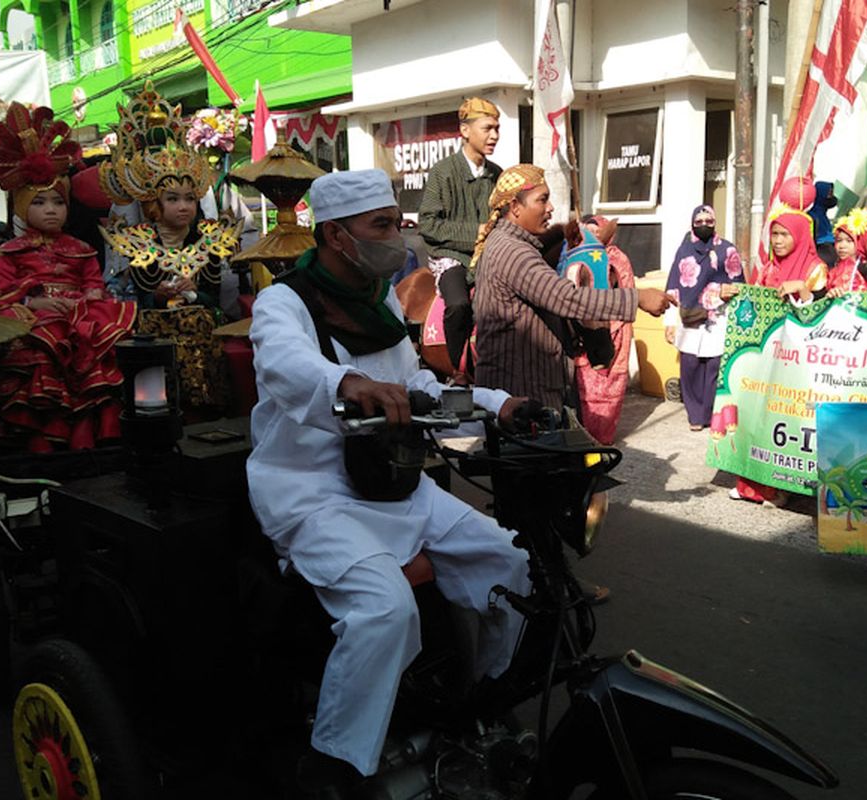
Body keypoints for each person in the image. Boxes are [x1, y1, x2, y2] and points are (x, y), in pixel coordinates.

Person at [245, 169, 531, 794]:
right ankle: (337, 765)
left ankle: (481, 697)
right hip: (312, 492)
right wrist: (345, 384)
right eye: (381, 226)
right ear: (336, 236)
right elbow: (285, 364)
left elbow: (420, 387)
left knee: (508, 559)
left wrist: (496, 400)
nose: (396, 237)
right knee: (384, 610)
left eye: (396, 223)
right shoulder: (283, 302)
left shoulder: (380, 303)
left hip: (391, 483)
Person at [0, 103, 136, 452]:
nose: (51, 210)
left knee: (102, 339)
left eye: (57, 203)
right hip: (35, 316)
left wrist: (87, 298)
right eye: (40, 203)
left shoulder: (81, 247)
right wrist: (35, 301)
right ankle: (44, 439)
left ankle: (99, 437)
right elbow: (3, 293)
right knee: (44, 341)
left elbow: (93, 282)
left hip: (79, 314)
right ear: (21, 208)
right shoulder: (10, 252)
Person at [470, 164, 674, 408]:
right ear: (515, 207)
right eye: (542, 200)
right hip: (519, 394)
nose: (550, 208)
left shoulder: (519, 246)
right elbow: (566, 298)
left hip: (528, 388)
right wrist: (636, 298)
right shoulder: (513, 252)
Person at [98, 82, 242, 414]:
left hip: (200, 321)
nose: (184, 207)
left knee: (201, 321)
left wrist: (194, 294)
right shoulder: (141, 245)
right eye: (172, 199)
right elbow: (143, 299)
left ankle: (207, 407)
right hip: (156, 324)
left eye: (190, 199)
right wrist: (160, 297)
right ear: (153, 205)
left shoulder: (208, 241)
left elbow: (214, 297)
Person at [731, 207, 828, 507]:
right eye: (774, 233)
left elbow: (823, 313)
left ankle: (785, 486)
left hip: (802, 358)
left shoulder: (816, 270)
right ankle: (754, 484)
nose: (778, 240)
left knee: (791, 418)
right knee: (760, 412)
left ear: (800, 235)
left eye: (785, 234)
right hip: (768, 354)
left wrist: (805, 292)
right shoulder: (769, 269)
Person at [417, 97, 503, 381]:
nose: (494, 136)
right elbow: (427, 224)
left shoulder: (497, 175)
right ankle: (457, 371)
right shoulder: (443, 172)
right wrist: (474, 233)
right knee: (459, 305)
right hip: (450, 257)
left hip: (488, 258)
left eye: (497, 129)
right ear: (465, 131)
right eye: (487, 128)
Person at [663, 204, 744, 430]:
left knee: (713, 366)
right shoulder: (684, 251)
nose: (704, 226)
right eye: (699, 222)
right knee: (689, 365)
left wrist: (724, 290)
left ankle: (708, 414)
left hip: (718, 316)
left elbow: (739, 282)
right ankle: (695, 416)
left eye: (709, 221)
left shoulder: (727, 250)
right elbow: (673, 286)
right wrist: (669, 321)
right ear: (692, 224)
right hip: (689, 317)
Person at [558, 215, 637, 444]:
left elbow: (623, 288)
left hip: (610, 324)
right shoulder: (574, 256)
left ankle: (602, 437)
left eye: (596, 230)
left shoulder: (617, 259)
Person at [810, 181, 839, 266]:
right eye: (829, 194)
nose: (831, 197)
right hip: (822, 250)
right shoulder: (813, 216)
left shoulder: (822, 214)